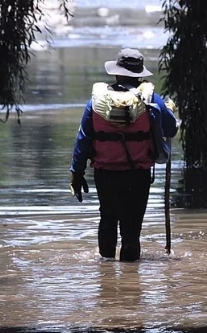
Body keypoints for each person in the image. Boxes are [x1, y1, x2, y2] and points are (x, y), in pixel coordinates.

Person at [69, 48, 179, 262]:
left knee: (108, 219)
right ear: (139, 74)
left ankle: (106, 273)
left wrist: (76, 173)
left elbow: (83, 138)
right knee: (131, 228)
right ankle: (131, 282)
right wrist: (168, 110)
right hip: (137, 174)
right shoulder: (150, 99)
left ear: (117, 73)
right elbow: (171, 130)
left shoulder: (97, 100)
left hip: (105, 173)